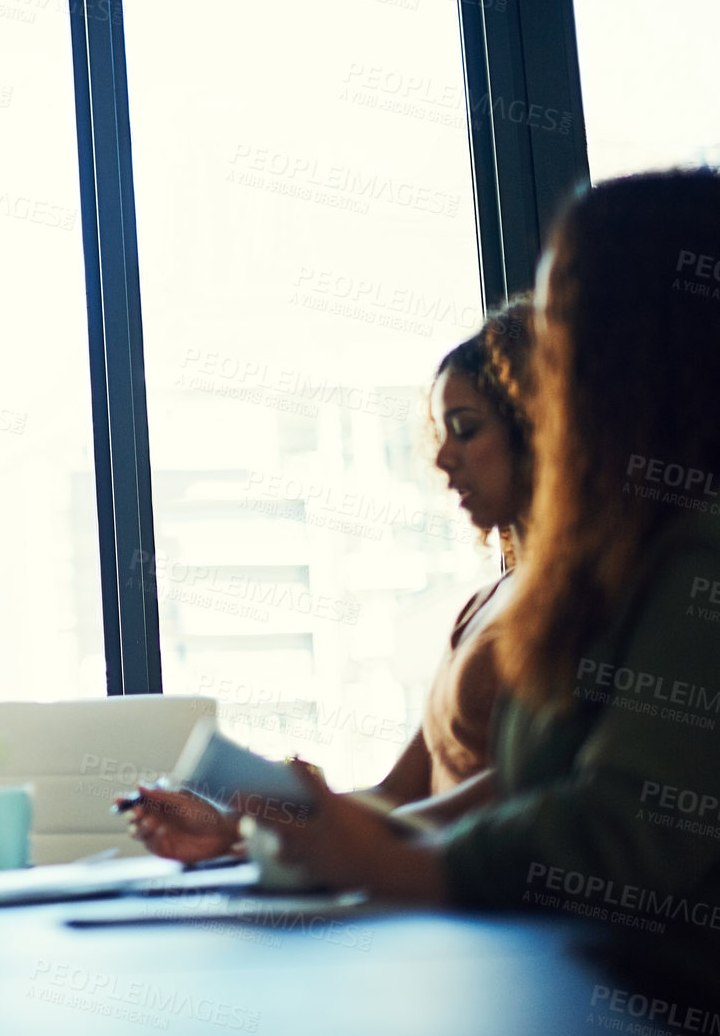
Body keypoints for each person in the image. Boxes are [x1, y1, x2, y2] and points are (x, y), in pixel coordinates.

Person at [266, 170, 720, 968]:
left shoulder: (698, 558)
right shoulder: (608, 575)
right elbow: (487, 795)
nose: (541, 357)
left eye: (559, 320)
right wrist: (304, 829)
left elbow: (623, 828)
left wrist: (382, 859)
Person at [129, 297, 536, 863]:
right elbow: (396, 796)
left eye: (466, 430)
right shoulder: (483, 604)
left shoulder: (579, 602)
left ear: (538, 428)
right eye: (441, 433)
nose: (442, 458)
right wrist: (236, 828)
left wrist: (280, 836)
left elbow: (504, 803)